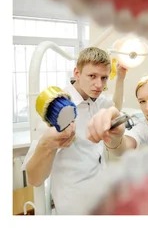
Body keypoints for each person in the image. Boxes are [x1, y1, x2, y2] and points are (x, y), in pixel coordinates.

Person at [23, 47, 126, 214]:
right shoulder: (56, 108)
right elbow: (34, 178)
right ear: (77, 73)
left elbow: (115, 108)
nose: (99, 84)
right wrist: (47, 144)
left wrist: (120, 78)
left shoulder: (96, 100)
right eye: (92, 76)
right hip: (76, 204)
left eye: (104, 78)